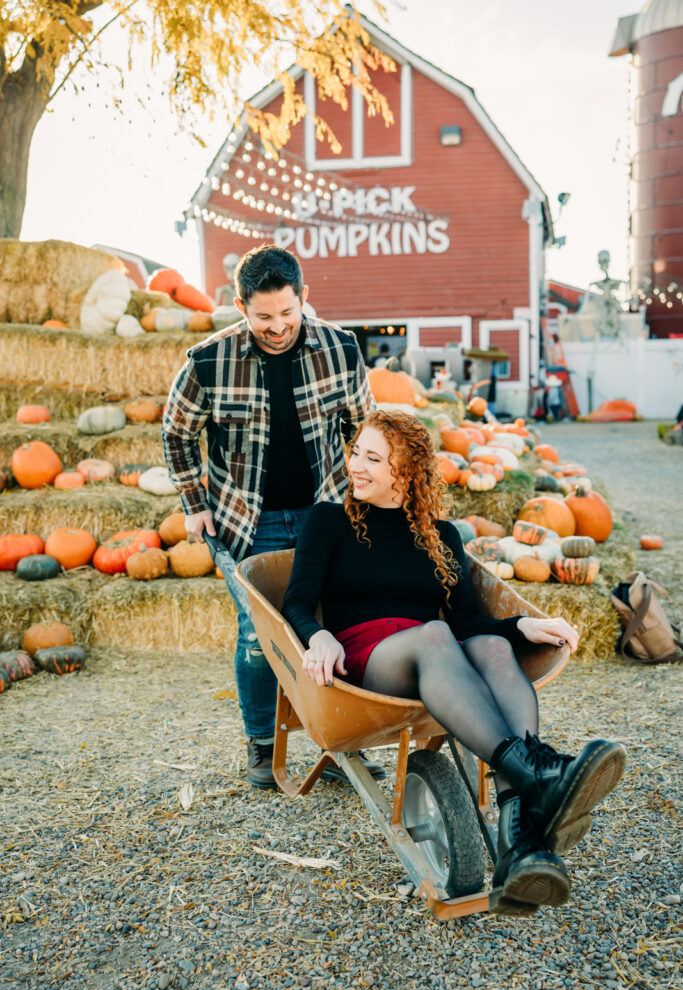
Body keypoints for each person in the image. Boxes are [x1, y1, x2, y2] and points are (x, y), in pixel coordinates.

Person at [282, 411, 626, 915]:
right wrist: (318, 638)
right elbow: (295, 601)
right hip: (370, 659)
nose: (356, 465)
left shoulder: (441, 535)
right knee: (436, 634)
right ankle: (538, 776)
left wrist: (518, 628)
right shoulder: (329, 520)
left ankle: (517, 847)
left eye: (373, 458)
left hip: (440, 658)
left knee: (490, 648)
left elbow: (467, 623)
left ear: (407, 472)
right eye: (356, 452)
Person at [162, 245, 384, 789]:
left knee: (331, 625)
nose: (278, 326)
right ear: (240, 305)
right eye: (263, 317)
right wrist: (194, 504)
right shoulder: (208, 362)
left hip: (325, 512)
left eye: (288, 313)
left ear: (304, 298)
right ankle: (262, 746)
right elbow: (175, 432)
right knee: (258, 638)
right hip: (247, 519)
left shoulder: (341, 349)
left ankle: (341, 742)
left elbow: (365, 427)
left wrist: (372, 498)